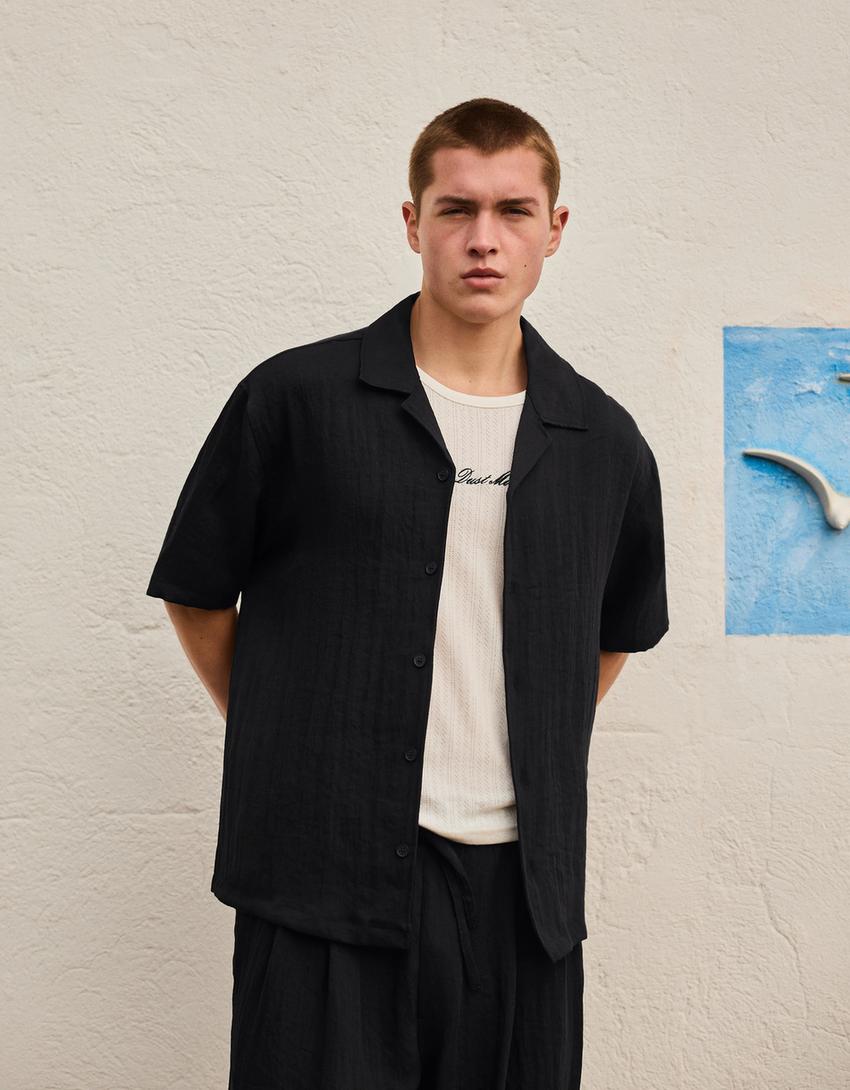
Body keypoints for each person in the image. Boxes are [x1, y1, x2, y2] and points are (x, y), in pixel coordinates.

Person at [146, 96, 669, 1090]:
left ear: (555, 228)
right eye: (455, 208)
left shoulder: (603, 442)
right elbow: (199, 592)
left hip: (524, 898)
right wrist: (298, 738)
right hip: (319, 877)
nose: (484, 238)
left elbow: (611, 635)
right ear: (411, 221)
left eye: (513, 210)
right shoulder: (297, 402)